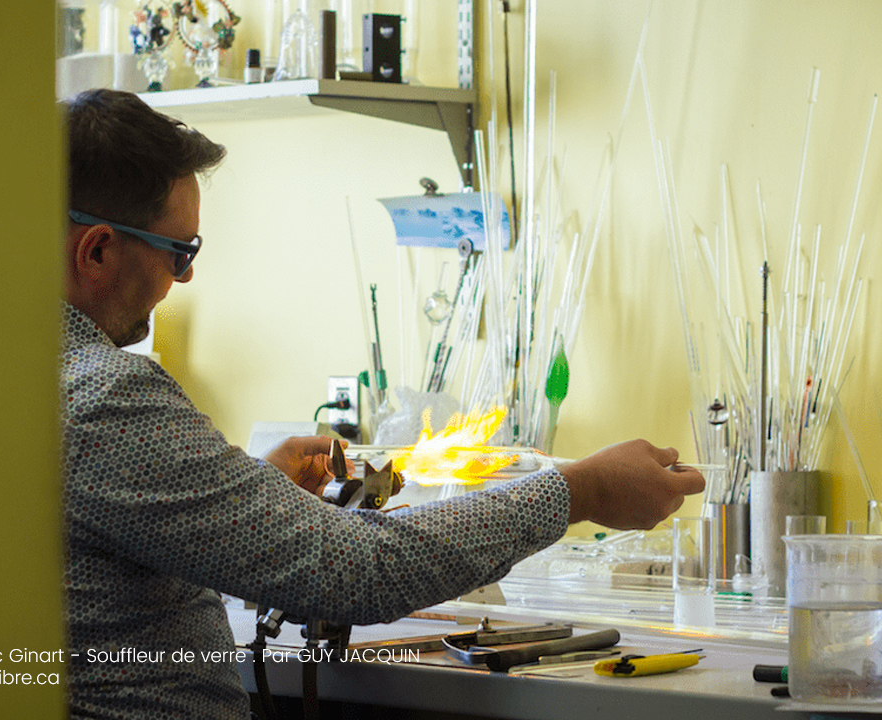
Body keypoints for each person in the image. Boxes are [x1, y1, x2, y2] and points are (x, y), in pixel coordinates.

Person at [60, 88, 705, 718]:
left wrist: (252, 495)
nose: (188, 277)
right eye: (181, 253)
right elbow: (359, 570)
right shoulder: (105, 398)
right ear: (97, 251)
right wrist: (580, 490)